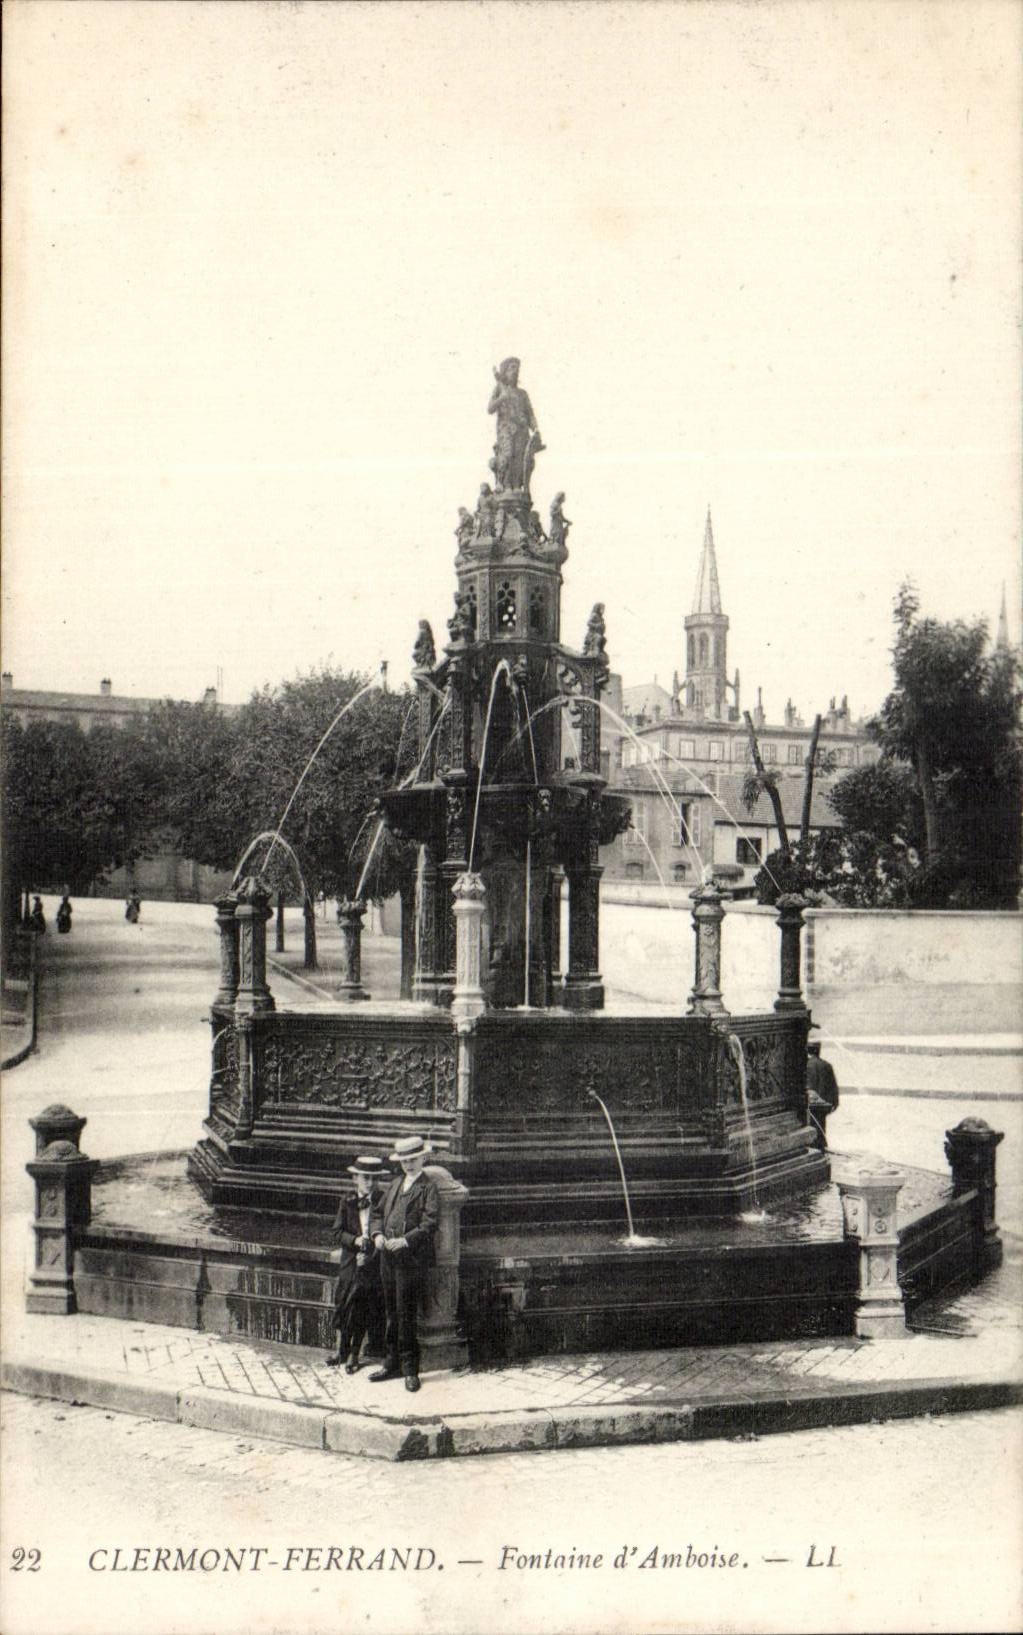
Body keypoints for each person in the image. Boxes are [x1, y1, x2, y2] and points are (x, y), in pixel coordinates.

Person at [368, 1135, 440, 1393]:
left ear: (422, 1158)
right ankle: (391, 1363)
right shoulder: (396, 1183)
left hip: (410, 1260)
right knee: (390, 1311)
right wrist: (377, 1235)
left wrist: (405, 1241)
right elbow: (377, 1213)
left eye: (413, 1160)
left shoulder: (428, 1187)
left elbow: (430, 1223)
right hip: (387, 1257)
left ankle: (410, 1369)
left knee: (406, 1313)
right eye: (404, 1161)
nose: (408, 1165)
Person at [325, 1155, 389, 1372]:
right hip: (350, 1262)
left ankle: (354, 1353)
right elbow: (337, 1232)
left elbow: (386, 1232)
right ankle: (341, 1350)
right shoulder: (347, 1201)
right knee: (344, 1302)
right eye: (365, 1178)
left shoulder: (383, 1200)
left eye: (374, 1178)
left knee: (362, 1306)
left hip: (372, 1263)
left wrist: (371, 1252)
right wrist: (354, 1240)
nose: (370, 1183)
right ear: (355, 1178)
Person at [806, 1032, 840, 1149]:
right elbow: (834, 1087)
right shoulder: (826, 1065)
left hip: (811, 1105)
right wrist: (834, 1103)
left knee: (812, 1130)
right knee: (820, 1128)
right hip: (823, 1105)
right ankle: (821, 1147)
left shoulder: (807, 1065)